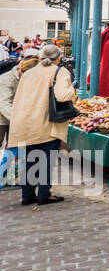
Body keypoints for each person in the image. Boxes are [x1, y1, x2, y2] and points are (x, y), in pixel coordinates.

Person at [9, 44, 77, 205]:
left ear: (40, 57)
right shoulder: (60, 72)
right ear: (59, 58)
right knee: (46, 160)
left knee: (31, 160)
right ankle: (44, 194)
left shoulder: (28, 73)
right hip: (46, 123)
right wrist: (72, 89)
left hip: (25, 122)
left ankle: (27, 195)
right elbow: (62, 96)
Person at [0, 57, 38, 149]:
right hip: (3, 117)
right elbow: (4, 104)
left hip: (18, 116)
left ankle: (11, 161)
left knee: (15, 146)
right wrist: (19, 120)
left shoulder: (31, 78)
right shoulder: (6, 79)